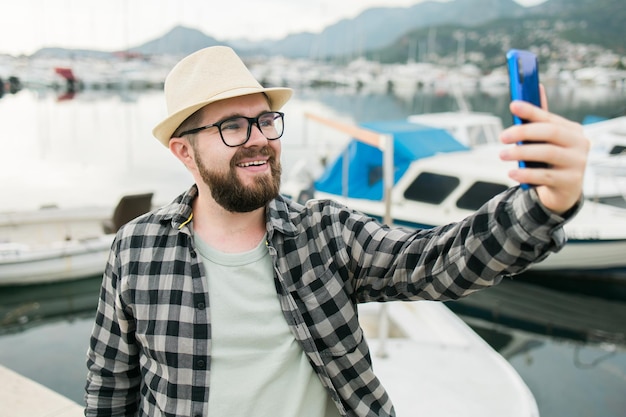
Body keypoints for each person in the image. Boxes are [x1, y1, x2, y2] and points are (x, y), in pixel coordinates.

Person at [84, 46, 589, 417]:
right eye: (232, 127)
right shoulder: (137, 249)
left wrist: (545, 203)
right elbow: (110, 385)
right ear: (183, 152)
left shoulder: (322, 232)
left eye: (265, 120)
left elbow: (436, 262)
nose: (259, 140)